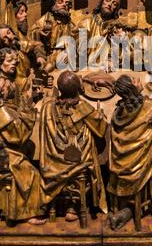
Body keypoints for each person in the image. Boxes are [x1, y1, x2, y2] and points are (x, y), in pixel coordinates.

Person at [39, 71, 108, 221]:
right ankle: (74, 205)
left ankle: (57, 202)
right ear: (78, 89)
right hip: (78, 159)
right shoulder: (83, 107)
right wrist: (101, 115)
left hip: (54, 160)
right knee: (88, 149)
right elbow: (101, 129)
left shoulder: (48, 108)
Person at [0, 75, 46, 225]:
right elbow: (20, 135)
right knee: (31, 174)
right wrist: (30, 111)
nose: (8, 86)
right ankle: (26, 214)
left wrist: (28, 101)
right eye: (5, 86)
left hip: (4, 151)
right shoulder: (2, 111)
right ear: (0, 92)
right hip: (0, 155)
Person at [108, 75, 152, 229]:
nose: (139, 80)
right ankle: (143, 203)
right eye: (135, 80)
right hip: (140, 166)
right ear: (132, 88)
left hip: (121, 165)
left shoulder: (118, 111)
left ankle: (126, 209)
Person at [30, 0, 76, 71]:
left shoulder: (70, 22)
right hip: (49, 55)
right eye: (60, 2)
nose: (64, 5)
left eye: (66, 3)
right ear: (54, 3)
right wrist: (39, 33)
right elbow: (32, 32)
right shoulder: (46, 19)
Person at [0, 24, 46, 91]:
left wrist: (40, 56)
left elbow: (36, 45)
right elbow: (19, 85)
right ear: (1, 43)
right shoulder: (6, 60)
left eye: (9, 32)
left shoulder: (18, 45)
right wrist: (30, 78)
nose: (10, 37)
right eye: (4, 38)